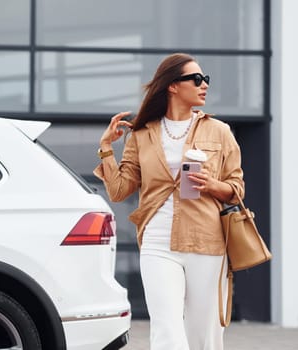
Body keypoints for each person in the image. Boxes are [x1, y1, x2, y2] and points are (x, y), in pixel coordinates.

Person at [94, 53, 244, 350]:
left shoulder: (219, 131)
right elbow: (120, 190)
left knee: (205, 334)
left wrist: (213, 185)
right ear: (173, 86)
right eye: (197, 79)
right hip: (157, 242)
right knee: (166, 329)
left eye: (206, 80)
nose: (205, 86)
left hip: (207, 240)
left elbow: (237, 187)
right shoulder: (141, 134)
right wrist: (106, 149)